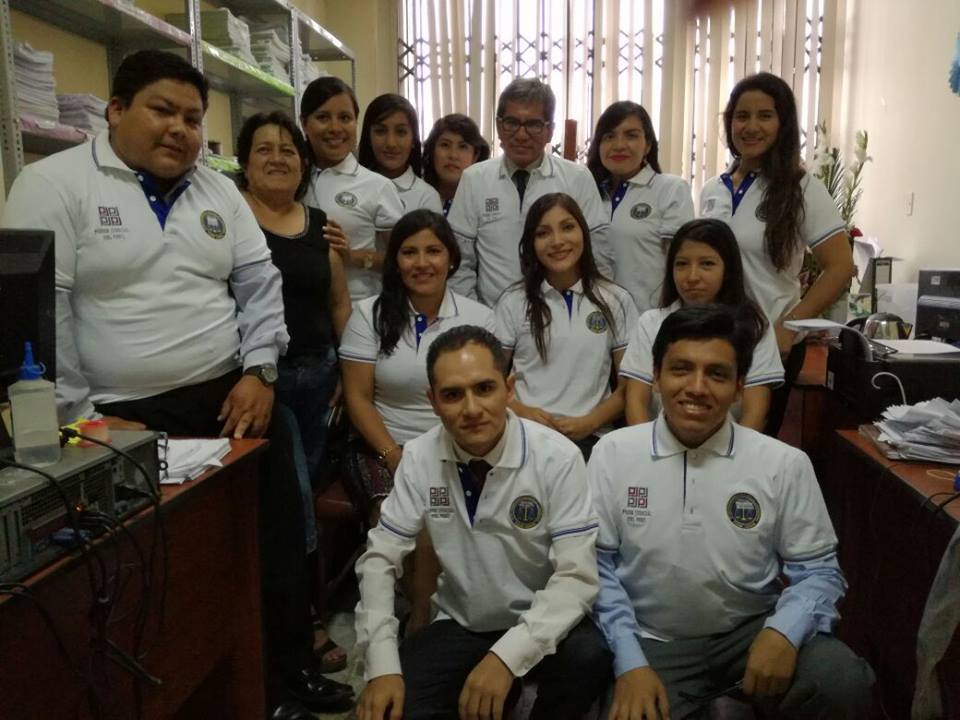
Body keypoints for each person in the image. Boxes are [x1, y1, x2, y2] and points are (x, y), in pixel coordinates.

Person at [1, 50, 353, 716]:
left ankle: (285, 675)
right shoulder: (54, 184)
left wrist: (261, 372)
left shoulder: (217, 191)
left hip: (231, 399)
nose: (180, 129)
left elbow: (260, 285)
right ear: (115, 110)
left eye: (193, 118)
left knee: (274, 538)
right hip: (114, 415)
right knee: (152, 565)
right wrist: (83, 421)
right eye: (163, 110)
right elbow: (43, 317)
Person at [589, 304, 875, 720]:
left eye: (717, 374)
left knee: (840, 681)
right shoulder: (613, 453)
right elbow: (597, 569)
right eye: (681, 369)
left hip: (752, 632)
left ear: (740, 386)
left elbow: (819, 571)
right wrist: (629, 661)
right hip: (651, 639)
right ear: (656, 377)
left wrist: (784, 631)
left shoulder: (782, 463)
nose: (697, 387)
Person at [354, 324, 612, 720]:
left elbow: (576, 578)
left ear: (509, 389)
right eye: (452, 395)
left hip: (542, 617)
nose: (472, 409)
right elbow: (379, 560)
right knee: (395, 706)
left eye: (484, 388)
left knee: (590, 656)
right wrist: (382, 665)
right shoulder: (419, 457)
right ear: (433, 402)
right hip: (463, 621)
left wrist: (506, 658)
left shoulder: (557, 457)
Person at [236, 110, 353, 674]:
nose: (278, 158)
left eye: (288, 149)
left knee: (301, 496)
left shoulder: (320, 224)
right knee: (294, 501)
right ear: (243, 162)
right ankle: (302, 620)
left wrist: (347, 373)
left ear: (304, 163)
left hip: (319, 379)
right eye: (264, 149)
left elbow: (339, 303)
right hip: (265, 384)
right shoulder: (232, 217)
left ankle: (294, 608)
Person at [700, 72, 854, 436]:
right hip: (714, 339)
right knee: (705, 441)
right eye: (742, 116)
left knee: (752, 448)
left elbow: (840, 267)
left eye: (765, 116)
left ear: (783, 124)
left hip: (770, 344)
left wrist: (789, 327)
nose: (752, 126)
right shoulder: (711, 189)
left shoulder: (801, 188)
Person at [494, 193, 638, 459]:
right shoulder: (513, 301)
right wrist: (522, 412)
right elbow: (491, 379)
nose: (557, 241)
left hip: (593, 440)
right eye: (543, 233)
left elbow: (629, 387)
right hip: (524, 437)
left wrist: (590, 422)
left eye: (568, 227)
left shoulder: (615, 299)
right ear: (531, 243)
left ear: (583, 232)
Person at [447, 78, 612, 306]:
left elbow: (599, 256)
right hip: (492, 316)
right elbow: (459, 261)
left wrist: (586, 311)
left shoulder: (577, 178)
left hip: (563, 312)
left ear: (550, 131)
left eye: (533, 124)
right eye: (512, 123)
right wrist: (477, 316)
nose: (521, 135)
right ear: (499, 126)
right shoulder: (474, 179)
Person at [620, 218, 783, 431]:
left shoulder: (754, 326)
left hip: (728, 445)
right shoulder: (650, 323)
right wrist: (646, 448)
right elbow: (636, 403)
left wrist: (735, 452)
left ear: (728, 269)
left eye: (707, 264)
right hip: (658, 443)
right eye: (682, 264)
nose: (692, 277)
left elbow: (755, 413)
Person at [300, 77, 404, 301]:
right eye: (323, 117)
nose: (335, 128)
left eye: (345, 118)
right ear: (304, 123)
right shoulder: (292, 180)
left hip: (358, 309)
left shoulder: (378, 186)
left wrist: (353, 257)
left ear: (356, 123)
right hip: (300, 309)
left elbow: (403, 258)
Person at [586, 101, 694, 312]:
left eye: (631, 135)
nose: (619, 145)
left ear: (648, 145)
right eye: (609, 136)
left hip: (651, 318)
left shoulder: (670, 189)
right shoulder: (589, 194)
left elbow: (682, 263)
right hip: (597, 319)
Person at [358, 93, 443, 214]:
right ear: (368, 137)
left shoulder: (426, 197)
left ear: (413, 139)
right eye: (381, 131)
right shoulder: (353, 186)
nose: (391, 143)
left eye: (401, 132)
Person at [422, 113, 491, 216]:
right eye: (445, 145)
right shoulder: (417, 195)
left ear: (475, 156)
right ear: (432, 151)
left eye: (463, 147)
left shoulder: (487, 198)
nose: (453, 155)